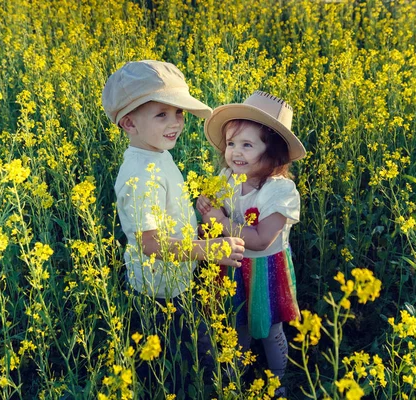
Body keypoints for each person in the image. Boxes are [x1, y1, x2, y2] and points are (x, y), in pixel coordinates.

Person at [101, 60, 245, 392]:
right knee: (177, 357)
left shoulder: (156, 152)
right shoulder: (138, 176)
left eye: (178, 113)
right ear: (128, 123)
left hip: (175, 277)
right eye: (162, 114)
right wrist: (206, 250)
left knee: (179, 349)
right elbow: (150, 244)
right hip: (157, 289)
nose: (176, 123)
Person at [196, 90, 306, 390]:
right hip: (233, 266)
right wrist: (205, 208)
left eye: (247, 145)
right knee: (237, 324)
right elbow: (212, 214)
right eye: (231, 144)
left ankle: (280, 378)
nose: (235, 153)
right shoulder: (227, 177)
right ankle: (237, 378)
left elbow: (260, 240)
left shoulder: (280, 191)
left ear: (273, 153)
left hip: (266, 270)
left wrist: (219, 220)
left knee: (270, 330)